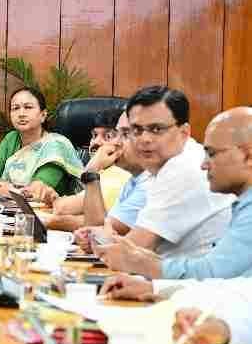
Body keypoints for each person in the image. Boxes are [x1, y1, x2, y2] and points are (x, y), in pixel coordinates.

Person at [96, 107, 252, 293]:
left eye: (212, 153)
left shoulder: (183, 168)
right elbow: (232, 282)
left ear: (248, 156)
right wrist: (154, 288)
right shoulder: (242, 203)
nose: (204, 165)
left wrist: (144, 265)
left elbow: (214, 274)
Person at [93, 86, 232, 269]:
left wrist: (103, 239)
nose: (144, 139)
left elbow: (129, 254)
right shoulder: (161, 166)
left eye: (156, 129)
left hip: (193, 283)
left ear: (184, 132)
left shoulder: (184, 169)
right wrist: (106, 238)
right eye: (136, 130)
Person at [0, 87, 84, 205]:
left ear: (43, 115)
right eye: (15, 108)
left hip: (49, 213)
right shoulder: (11, 138)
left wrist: (1, 188)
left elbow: (34, 193)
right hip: (10, 210)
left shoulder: (56, 145)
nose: (21, 114)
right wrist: (11, 190)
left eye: (28, 107)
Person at [44, 107, 132, 230]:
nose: (96, 142)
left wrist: (91, 169)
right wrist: (56, 200)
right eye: (94, 135)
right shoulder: (104, 172)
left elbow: (63, 209)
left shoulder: (119, 174)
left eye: (108, 136)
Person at [71, 111, 149, 251]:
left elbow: (99, 238)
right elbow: (97, 235)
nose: (115, 142)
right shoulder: (134, 181)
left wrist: (91, 172)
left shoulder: (149, 185)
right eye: (116, 134)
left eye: (125, 134)